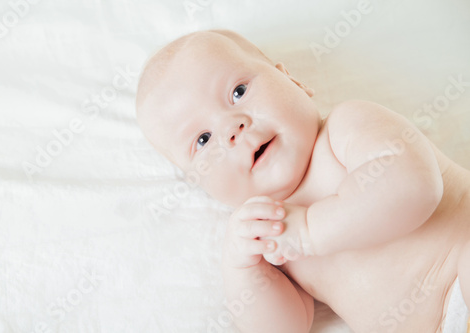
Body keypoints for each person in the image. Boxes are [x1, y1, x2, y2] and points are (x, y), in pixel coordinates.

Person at [135, 29, 470, 332]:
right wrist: (243, 271)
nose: (232, 128)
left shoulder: (346, 128)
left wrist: (310, 231)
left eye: (238, 92)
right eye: (204, 140)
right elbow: (286, 328)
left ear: (292, 81)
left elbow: (415, 187)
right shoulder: (268, 233)